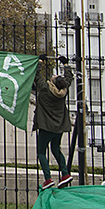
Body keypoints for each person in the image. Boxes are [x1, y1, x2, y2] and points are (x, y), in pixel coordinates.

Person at [32, 53, 74, 190]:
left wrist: (40, 61)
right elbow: (69, 78)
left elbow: (36, 76)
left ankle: (48, 178)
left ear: (53, 82)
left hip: (46, 127)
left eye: (55, 77)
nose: (54, 76)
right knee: (56, 149)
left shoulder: (45, 89)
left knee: (41, 152)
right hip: (59, 127)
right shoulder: (63, 92)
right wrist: (65, 65)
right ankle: (65, 174)